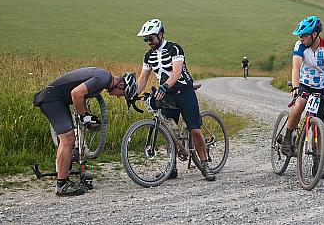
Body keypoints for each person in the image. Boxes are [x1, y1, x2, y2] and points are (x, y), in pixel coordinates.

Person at [33, 68, 136, 196]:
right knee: (68, 139)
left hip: (55, 98)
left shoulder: (103, 78)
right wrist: (86, 118)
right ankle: (61, 185)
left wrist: (87, 115)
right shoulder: (103, 79)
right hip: (52, 99)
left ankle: (64, 174)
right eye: (122, 93)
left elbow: (80, 97)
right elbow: (76, 94)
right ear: (120, 84)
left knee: (68, 139)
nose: (118, 96)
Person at [135, 18, 215, 181]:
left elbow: (177, 72)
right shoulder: (148, 56)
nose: (148, 42)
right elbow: (143, 78)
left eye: (151, 38)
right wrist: (133, 93)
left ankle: (205, 164)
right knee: (169, 131)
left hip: (184, 91)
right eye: (146, 39)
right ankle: (172, 168)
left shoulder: (174, 49)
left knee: (195, 130)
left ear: (161, 34)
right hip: (167, 96)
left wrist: (164, 86)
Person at [281, 16, 324, 179]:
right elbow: (296, 67)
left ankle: (318, 165)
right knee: (300, 104)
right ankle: (287, 138)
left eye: (304, 35)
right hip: (304, 84)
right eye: (300, 36)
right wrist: (295, 87)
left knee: (318, 127)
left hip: (320, 88)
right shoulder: (300, 46)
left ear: (315, 34)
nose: (301, 38)